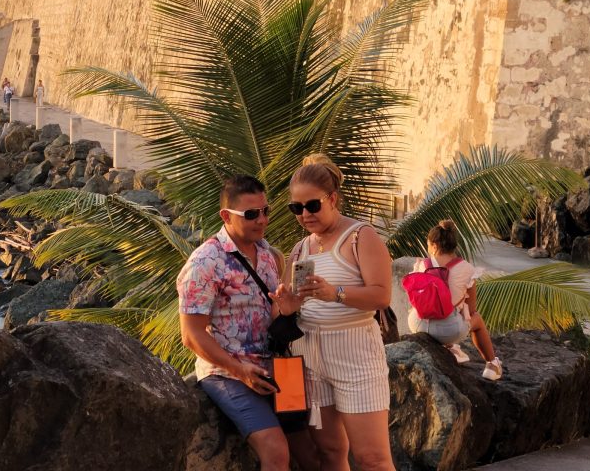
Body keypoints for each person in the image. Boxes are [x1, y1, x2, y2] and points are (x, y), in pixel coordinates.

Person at [177, 175, 318, 471]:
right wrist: (238, 370)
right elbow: (190, 335)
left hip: (277, 369)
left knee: (310, 455)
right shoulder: (205, 262)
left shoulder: (267, 255)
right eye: (252, 214)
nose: (262, 220)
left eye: (266, 211)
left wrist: (287, 309)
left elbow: (270, 316)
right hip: (228, 374)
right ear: (226, 216)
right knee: (276, 451)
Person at [271, 153, 395, 471]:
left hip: (355, 355)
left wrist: (334, 293)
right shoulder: (301, 249)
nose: (305, 215)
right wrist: (287, 308)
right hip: (311, 358)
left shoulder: (359, 236)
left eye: (312, 205)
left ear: (332, 198)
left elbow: (381, 296)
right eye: (296, 208)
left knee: (373, 459)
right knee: (329, 453)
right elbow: (290, 303)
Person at [407, 220, 503, 381]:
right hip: (449, 331)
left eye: (428, 244)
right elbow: (471, 310)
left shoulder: (422, 265)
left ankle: (451, 349)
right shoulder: (467, 269)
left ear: (435, 245)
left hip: (417, 324)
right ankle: (492, 365)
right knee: (476, 319)